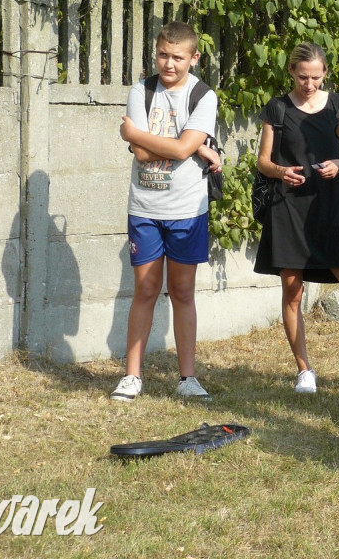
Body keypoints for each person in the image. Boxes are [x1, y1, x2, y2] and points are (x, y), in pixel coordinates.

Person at [112, 21, 220, 401]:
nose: (169, 64)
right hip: (144, 207)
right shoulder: (140, 91)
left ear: (194, 57)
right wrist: (182, 146)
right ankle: (132, 376)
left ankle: (187, 378)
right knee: (144, 289)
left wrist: (132, 134)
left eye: (177, 57)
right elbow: (146, 155)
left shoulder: (203, 96)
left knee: (183, 292)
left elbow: (177, 151)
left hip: (187, 209)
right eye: (162, 55)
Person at [253, 42, 339, 394]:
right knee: (292, 293)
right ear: (291, 72)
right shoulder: (277, 107)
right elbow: (263, 162)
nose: (309, 84)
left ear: (325, 73)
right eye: (303, 77)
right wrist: (281, 172)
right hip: (287, 208)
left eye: (316, 77)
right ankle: (304, 370)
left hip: (327, 208)